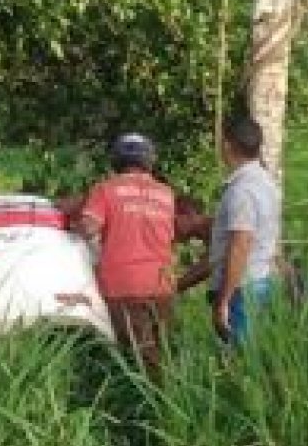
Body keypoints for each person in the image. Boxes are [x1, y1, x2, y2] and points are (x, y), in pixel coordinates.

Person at [67, 133, 180, 369]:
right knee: (162, 353)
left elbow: (89, 228)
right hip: (162, 284)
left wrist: (71, 225)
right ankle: (169, 401)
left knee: (137, 359)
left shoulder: (106, 190)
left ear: (116, 160)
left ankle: (148, 403)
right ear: (149, 160)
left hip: (124, 286)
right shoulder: (166, 194)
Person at [205, 116, 283, 344]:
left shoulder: (242, 190)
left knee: (238, 356)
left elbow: (240, 244)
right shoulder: (266, 183)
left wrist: (224, 300)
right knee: (250, 354)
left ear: (228, 145)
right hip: (260, 279)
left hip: (242, 288)